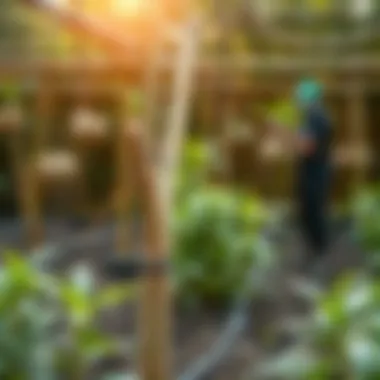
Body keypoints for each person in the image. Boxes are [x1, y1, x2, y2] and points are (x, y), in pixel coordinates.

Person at [294, 78, 332, 279]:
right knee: (309, 212)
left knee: (314, 212)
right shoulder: (312, 117)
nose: (298, 101)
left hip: (315, 173)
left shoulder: (316, 118)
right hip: (313, 172)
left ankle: (319, 256)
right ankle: (315, 254)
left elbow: (308, 147)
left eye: (300, 97)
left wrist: (289, 138)